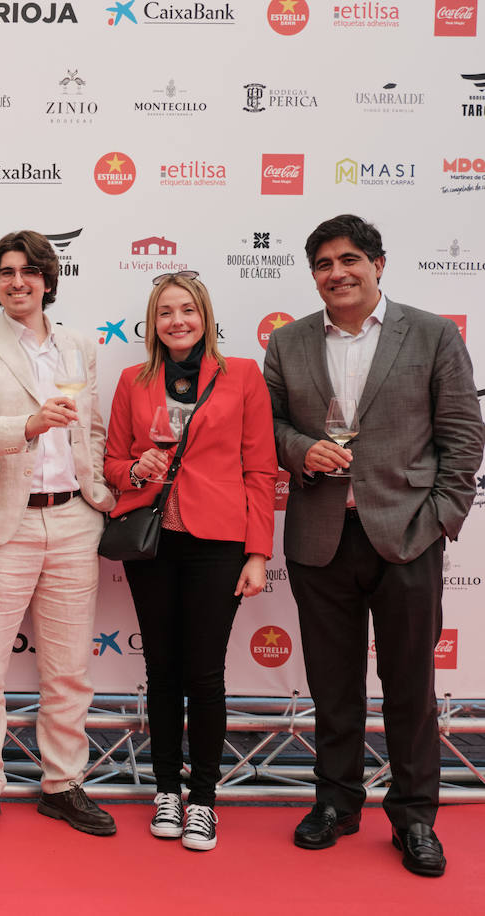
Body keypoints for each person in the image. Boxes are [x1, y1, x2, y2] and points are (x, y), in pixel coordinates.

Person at [264, 214, 484, 877]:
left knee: (411, 690)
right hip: (320, 539)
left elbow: (463, 437)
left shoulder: (433, 334)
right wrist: (304, 450)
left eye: (351, 259)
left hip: (407, 537)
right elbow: (268, 426)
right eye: (325, 263)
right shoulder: (290, 342)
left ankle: (415, 818)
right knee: (333, 688)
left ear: (379, 264)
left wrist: (440, 518)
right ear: (313, 276)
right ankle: (335, 802)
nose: (338, 272)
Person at [0, 229, 117, 840]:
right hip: (1, 523)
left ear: (48, 278)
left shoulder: (78, 346)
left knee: (70, 668)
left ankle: (63, 784)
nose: (16, 282)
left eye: (28, 271)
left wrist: (95, 491)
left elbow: (91, 429)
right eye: (5, 272)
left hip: (73, 519)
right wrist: (30, 423)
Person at [102, 272, 276, 851]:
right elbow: (112, 463)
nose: (177, 321)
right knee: (161, 671)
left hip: (218, 542)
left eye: (187, 310)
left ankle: (203, 798)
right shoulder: (133, 379)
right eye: (165, 312)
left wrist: (257, 552)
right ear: (152, 324)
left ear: (205, 316)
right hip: (151, 542)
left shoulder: (244, 375)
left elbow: (260, 468)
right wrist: (137, 471)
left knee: (204, 674)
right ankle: (166, 792)